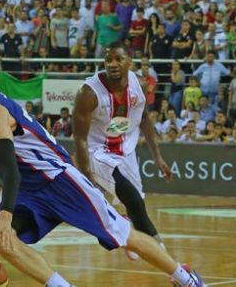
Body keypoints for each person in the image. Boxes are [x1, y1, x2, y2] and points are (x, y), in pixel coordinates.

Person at [0, 47, 206, 287]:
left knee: (124, 237)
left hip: (58, 180)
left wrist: (6, 214)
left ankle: (185, 278)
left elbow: (11, 170)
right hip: (30, 189)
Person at [72, 41, 172, 261]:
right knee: (134, 199)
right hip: (96, 150)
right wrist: (88, 178)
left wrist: (157, 156)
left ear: (130, 62)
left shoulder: (139, 85)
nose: (113, 64)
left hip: (124, 147)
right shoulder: (88, 92)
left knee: (137, 204)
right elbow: (79, 138)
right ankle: (169, 262)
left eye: (118, 59)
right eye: (109, 60)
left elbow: (144, 118)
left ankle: (127, 230)